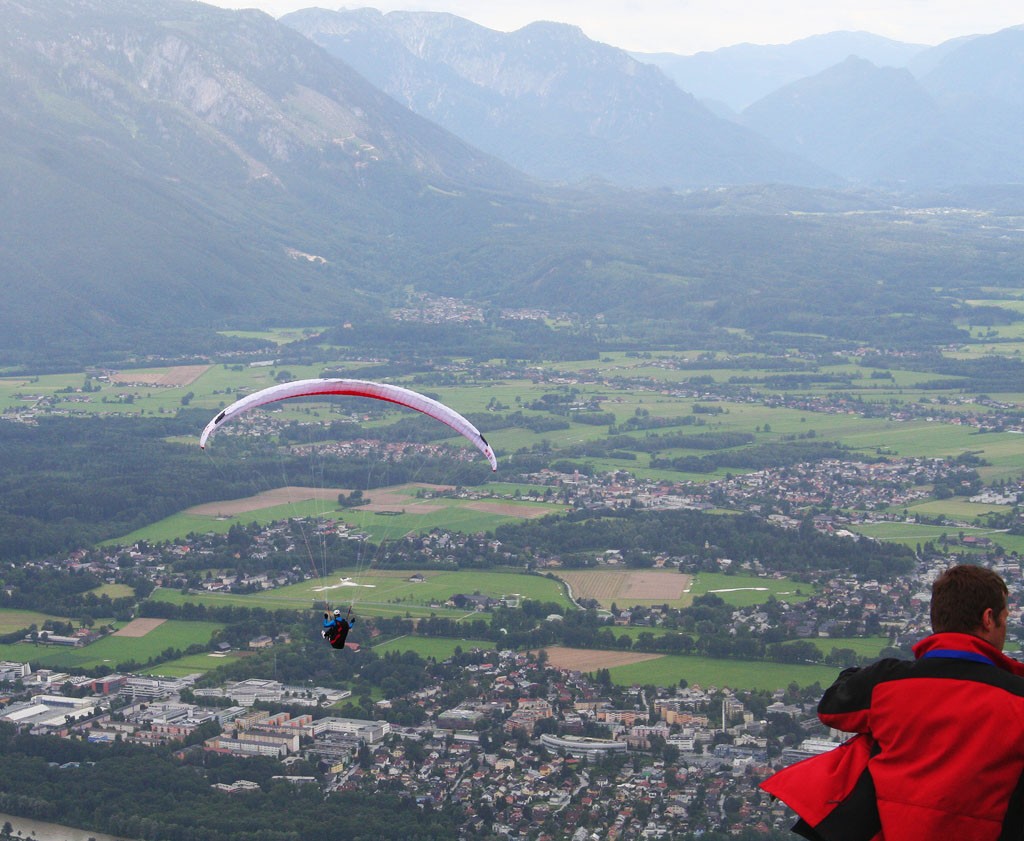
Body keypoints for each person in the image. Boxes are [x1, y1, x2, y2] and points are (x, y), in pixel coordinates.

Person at [761, 564, 1024, 841]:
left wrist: (861, 675)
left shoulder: (888, 683)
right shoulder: (1016, 698)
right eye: (1005, 618)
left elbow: (831, 709)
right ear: (988, 618)